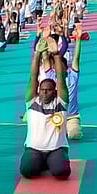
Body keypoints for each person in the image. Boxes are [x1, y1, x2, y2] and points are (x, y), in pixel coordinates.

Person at [20, 34, 70, 179]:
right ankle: (42, 162)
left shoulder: (61, 103)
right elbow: (33, 76)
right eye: (42, 89)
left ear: (55, 91)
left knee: (62, 173)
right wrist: (37, 54)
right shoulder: (32, 102)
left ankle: (52, 161)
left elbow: (60, 78)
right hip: (34, 149)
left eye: (48, 90)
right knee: (27, 172)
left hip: (56, 149)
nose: (45, 92)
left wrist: (56, 55)